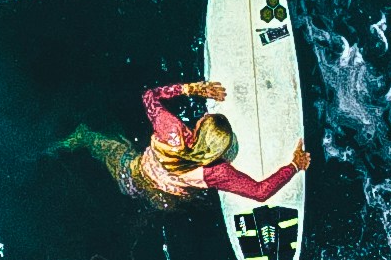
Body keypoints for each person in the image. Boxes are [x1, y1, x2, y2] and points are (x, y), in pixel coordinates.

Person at [63, 78, 310, 209]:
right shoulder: (216, 172)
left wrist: (193, 88)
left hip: (133, 175)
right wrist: (294, 166)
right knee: (178, 201)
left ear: (200, 126)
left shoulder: (171, 130)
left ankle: (72, 141)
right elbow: (260, 192)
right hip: (167, 200)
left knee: (99, 140)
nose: (203, 116)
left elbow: (149, 96)